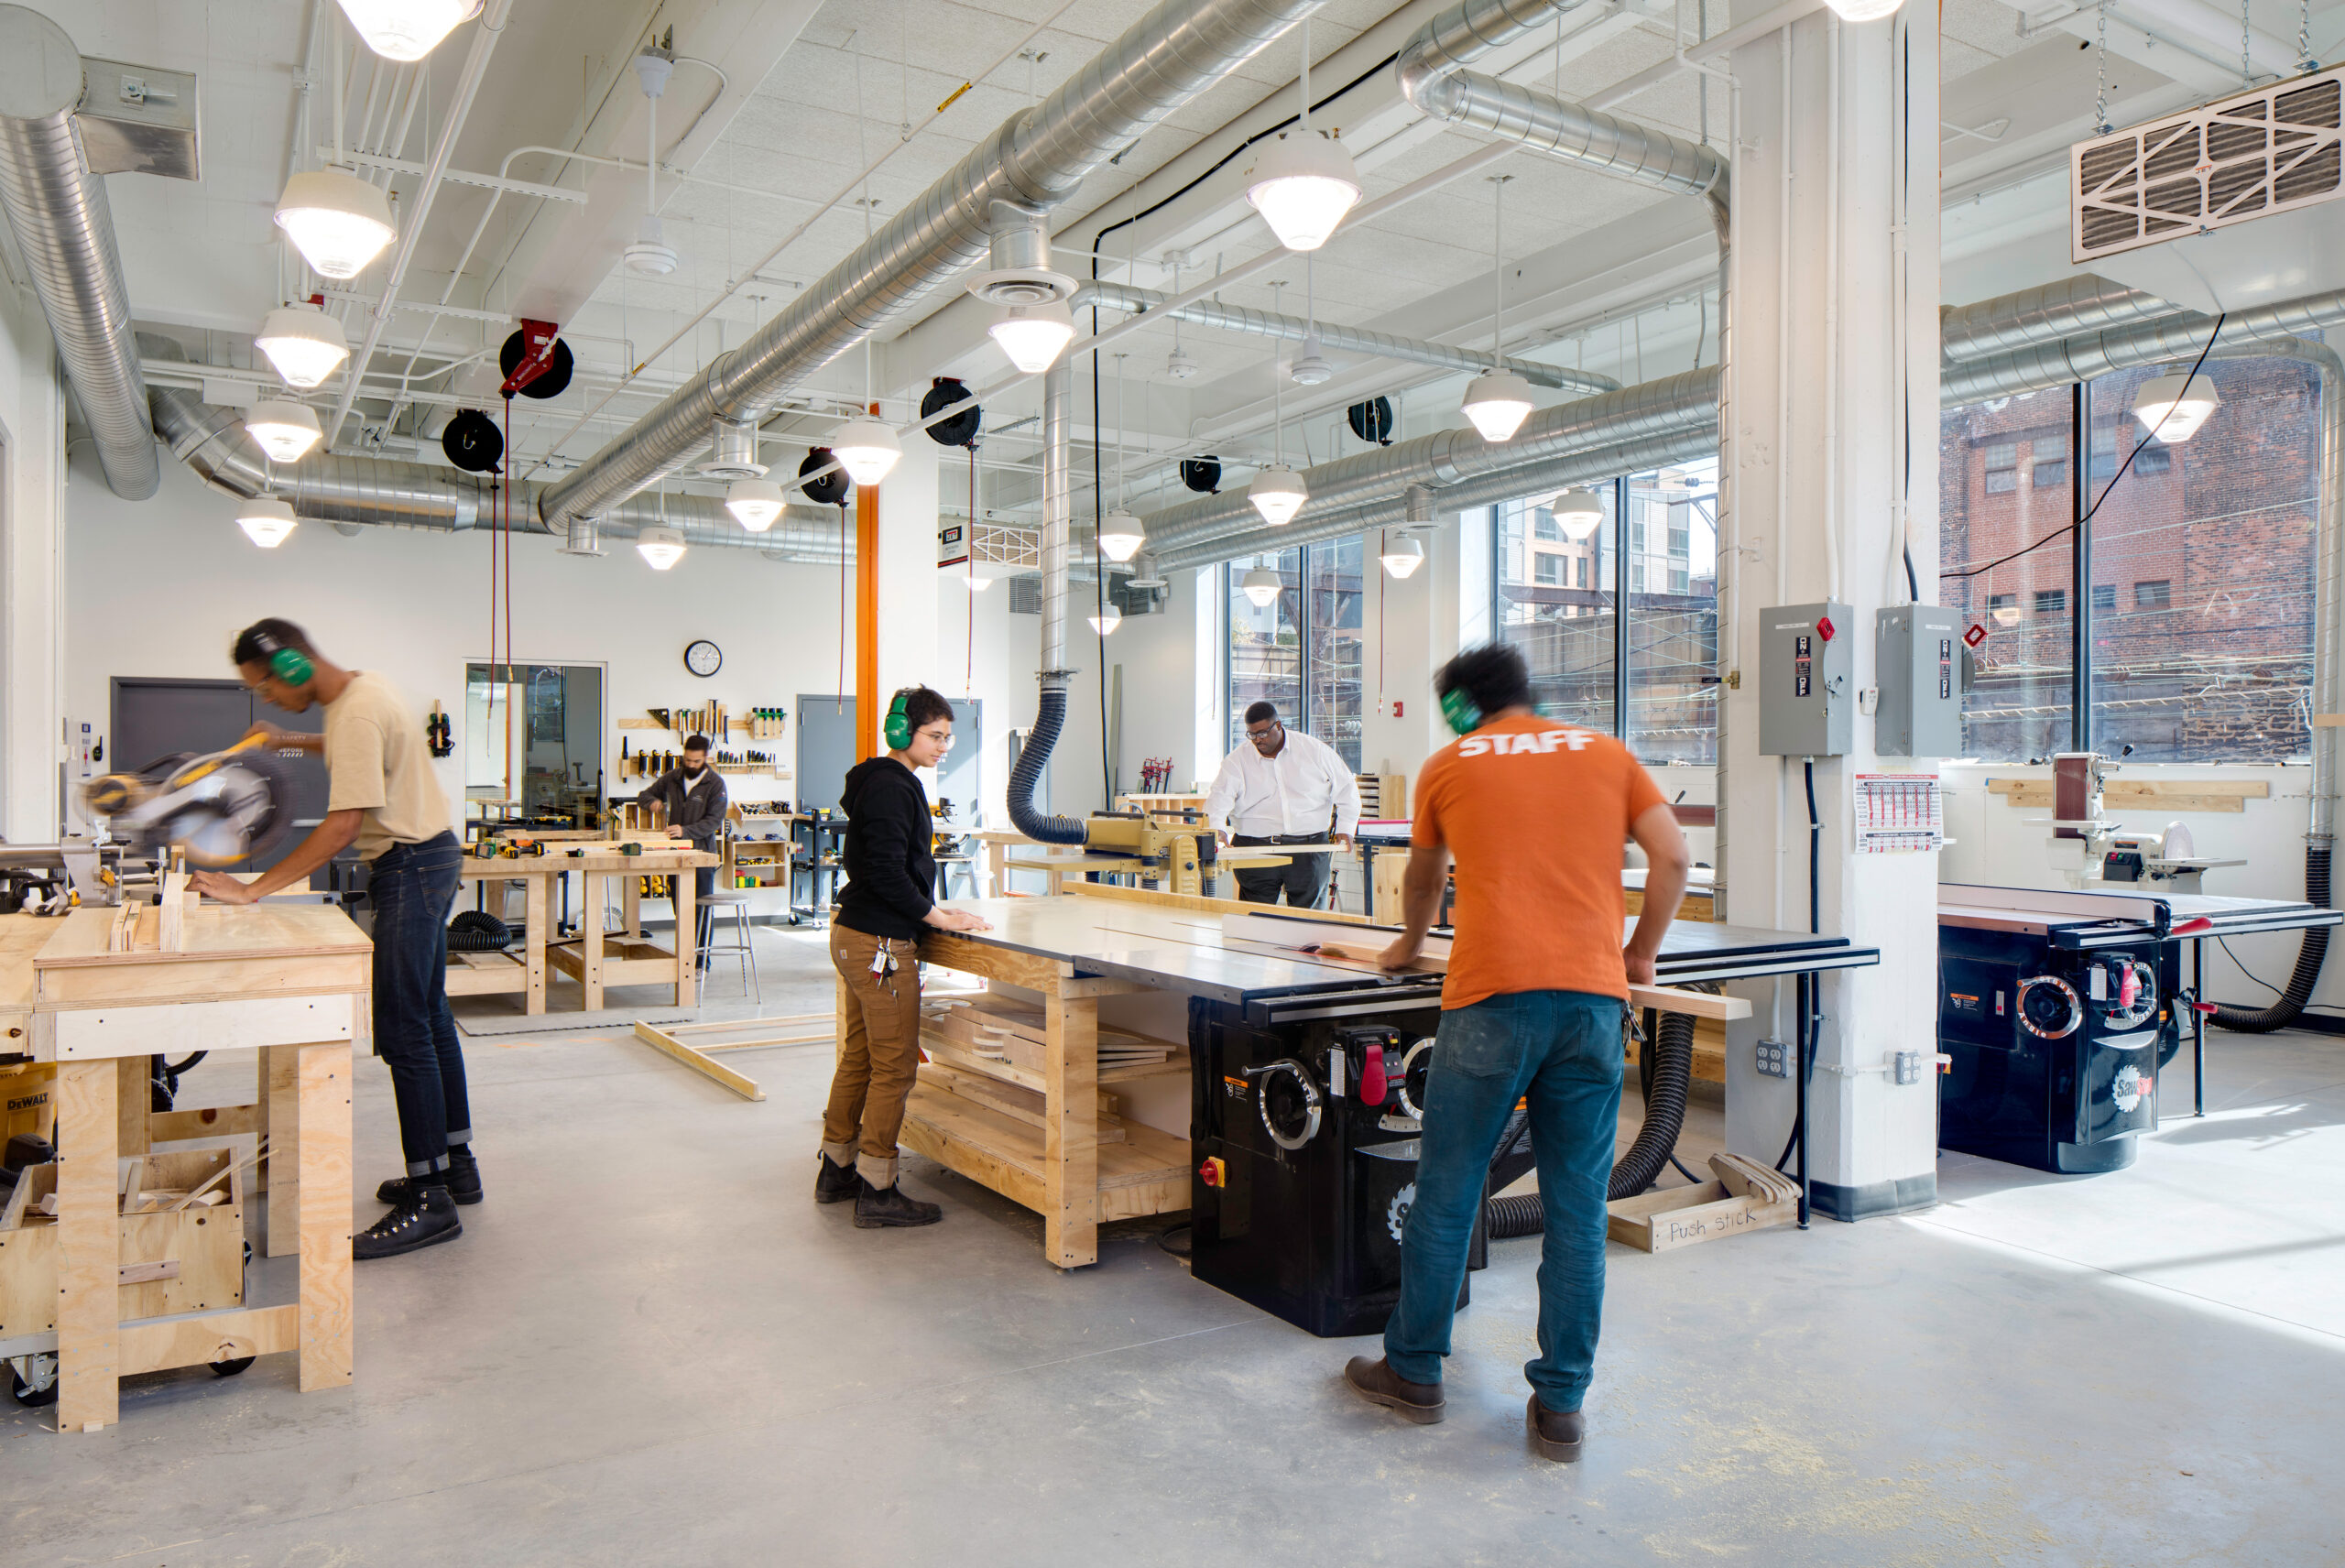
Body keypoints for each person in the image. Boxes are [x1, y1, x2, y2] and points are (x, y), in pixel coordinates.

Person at [1342, 642, 1688, 1464]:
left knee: (1449, 1189)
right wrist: (1638, 957)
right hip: (1593, 1006)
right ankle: (1561, 1405)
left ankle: (1415, 1371)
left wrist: (1406, 946)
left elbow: (1422, 883)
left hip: (1491, 1001)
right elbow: (1672, 858)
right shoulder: (1605, 753)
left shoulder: (1449, 764)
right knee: (1578, 1208)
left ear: (1462, 704)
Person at [191, 619, 477, 1261]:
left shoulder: (356, 713)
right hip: (431, 854)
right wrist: (287, 738)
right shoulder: (364, 691)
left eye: (264, 685)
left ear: (291, 667)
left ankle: (429, 1200)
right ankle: (456, 1168)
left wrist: (250, 889)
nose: (266, 698)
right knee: (429, 1018)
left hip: (407, 865)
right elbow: (349, 747)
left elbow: (343, 825)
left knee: (403, 1027)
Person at [816, 686, 992, 1228]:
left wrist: (930, 908)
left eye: (948, 738)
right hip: (882, 945)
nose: (943, 747)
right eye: (934, 736)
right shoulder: (895, 788)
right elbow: (889, 871)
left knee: (860, 1058)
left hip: (856, 935)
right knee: (894, 1068)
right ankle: (878, 1187)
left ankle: (837, 1169)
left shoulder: (877, 780)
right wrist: (936, 917)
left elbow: (883, 867)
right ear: (901, 732)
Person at [1204, 701, 1360, 908]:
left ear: (1278, 725)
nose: (1258, 740)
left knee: (1309, 920)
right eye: (1252, 734)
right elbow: (1219, 796)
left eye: (1263, 733)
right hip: (1255, 848)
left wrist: (1346, 828)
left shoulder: (1314, 751)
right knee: (1255, 917)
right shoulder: (1237, 760)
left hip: (1309, 848)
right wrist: (1216, 828)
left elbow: (1347, 789)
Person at [636, 733, 727, 972]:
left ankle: (700, 963)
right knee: (681, 909)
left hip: (702, 857)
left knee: (701, 911)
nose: (690, 765)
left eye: (696, 761)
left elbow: (714, 821)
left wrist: (685, 830)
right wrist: (652, 803)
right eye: (687, 760)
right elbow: (643, 795)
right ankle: (686, 958)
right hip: (676, 856)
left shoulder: (715, 784)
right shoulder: (673, 777)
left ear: (706, 758)